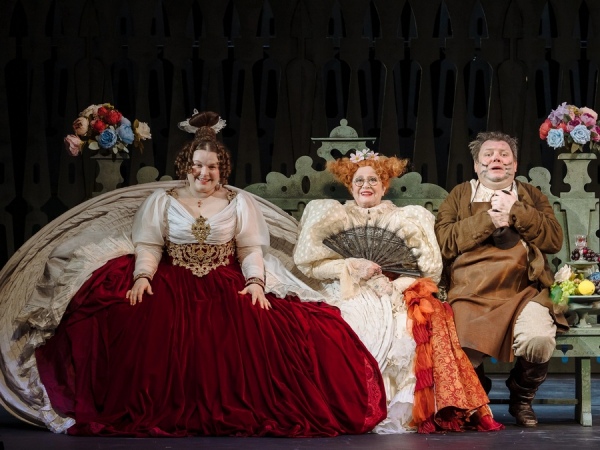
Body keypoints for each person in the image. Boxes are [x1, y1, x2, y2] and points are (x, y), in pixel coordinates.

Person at [31, 111, 387, 437]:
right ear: (187, 165)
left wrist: (255, 283)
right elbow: (150, 245)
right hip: (171, 279)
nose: (205, 173)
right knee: (131, 323)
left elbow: (249, 250)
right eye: (198, 165)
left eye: (213, 167)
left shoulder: (238, 202)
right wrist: (142, 276)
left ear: (222, 169)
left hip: (225, 280)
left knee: (269, 333)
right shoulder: (163, 201)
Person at [293, 149, 503, 434]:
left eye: (373, 180)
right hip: (347, 288)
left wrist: (395, 285)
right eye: (359, 180)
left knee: (404, 326)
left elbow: (427, 269)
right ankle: (351, 405)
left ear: (384, 185)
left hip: (394, 291)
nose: (366, 185)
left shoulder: (406, 218)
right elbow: (312, 265)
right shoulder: (334, 216)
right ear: (349, 186)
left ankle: (390, 405)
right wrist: (350, 266)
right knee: (338, 323)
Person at [434, 131, 569, 428]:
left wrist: (516, 210)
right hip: (470, 292)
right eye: (489, 154)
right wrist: (489, 219)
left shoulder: (530, 195)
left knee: (538, 339)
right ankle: (477, 394)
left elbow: (554, 239)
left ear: (514, 164)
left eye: (504, 154)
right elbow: (444, 242)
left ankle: (521, 399)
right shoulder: (460, 194)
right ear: (476, 165)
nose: (496, 158)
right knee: (459, 350)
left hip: (524, 290)